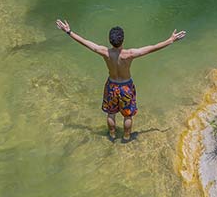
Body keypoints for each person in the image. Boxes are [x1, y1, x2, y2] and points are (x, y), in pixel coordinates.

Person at [55, 20, 186, 142]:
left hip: (111, 85)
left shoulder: (104, 52)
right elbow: (152, 48)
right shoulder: (129, 54)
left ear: (109, 40)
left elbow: (85, 42)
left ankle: (112, 134)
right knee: (127, 115)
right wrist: (170, 40)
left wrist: (69, 32)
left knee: (111, 114)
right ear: (123, 40)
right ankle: (126, 136)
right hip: (126, 87)